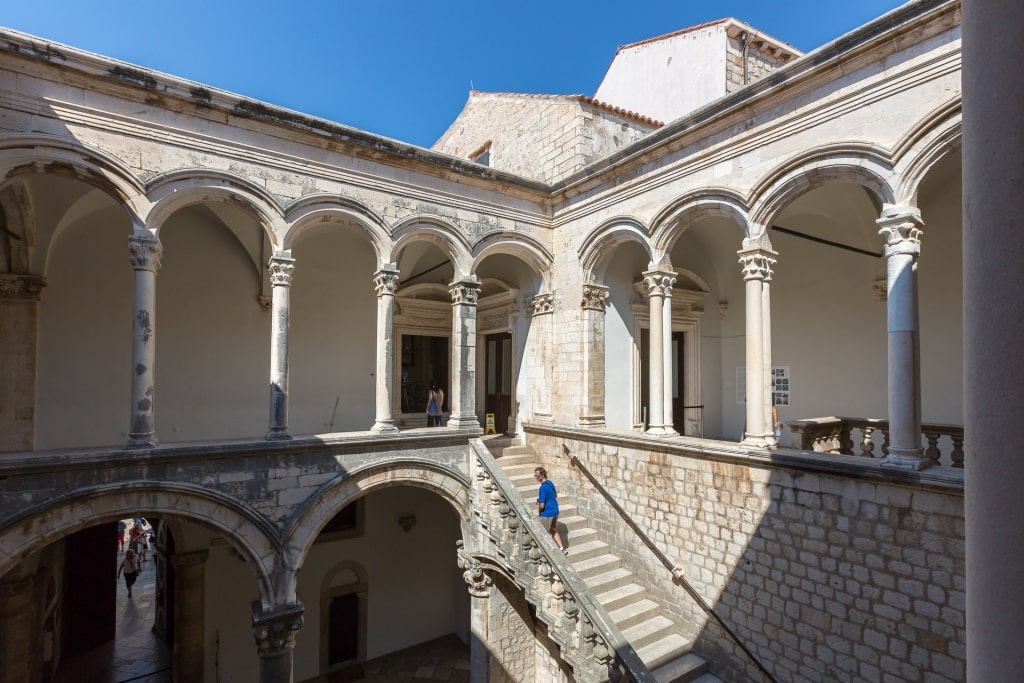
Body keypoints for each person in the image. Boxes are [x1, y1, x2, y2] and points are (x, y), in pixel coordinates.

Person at [534, 467, 567, 556]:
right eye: (535, 475)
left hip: (547, 513)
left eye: (537, 476)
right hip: (555, 510)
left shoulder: (542, 488)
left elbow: (542, 505)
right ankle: (562, 549)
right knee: (552, 529)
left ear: (542, 475)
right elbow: (555, 495)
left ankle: (547, 552)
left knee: (542, 532)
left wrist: (540, 511)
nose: (535, 477)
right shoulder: (550, 483)